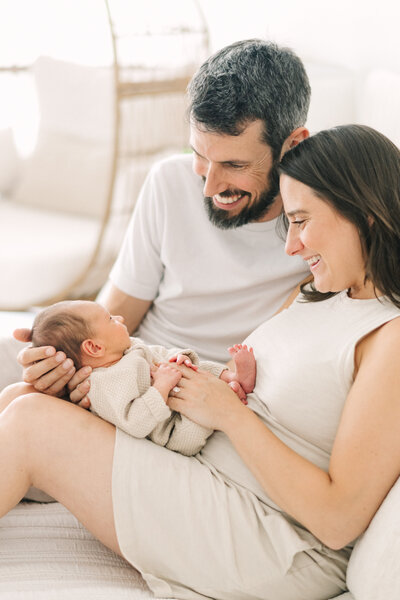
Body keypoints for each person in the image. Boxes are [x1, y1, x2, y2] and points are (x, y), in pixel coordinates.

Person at [1, 124, 399, 600]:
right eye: (288, 223)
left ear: (366, 216)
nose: (291, 246)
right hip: (207, 465)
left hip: (277, 538)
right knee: (23, 396)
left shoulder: (387, 338)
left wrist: (228, 414)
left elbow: (338, 521)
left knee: (30, 422)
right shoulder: (318, 293)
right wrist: (118, 384)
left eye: (302, 221)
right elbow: (237, 381)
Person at [12, 39, 311, 405]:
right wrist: (63, 361)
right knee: (16, 395)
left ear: (293, 144)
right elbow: (118, 310)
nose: (210, 187)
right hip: (128, 372)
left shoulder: (323, 221)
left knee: (20, 411)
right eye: (199, 155)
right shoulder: (169, 180)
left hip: (200, 396)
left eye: (234, 165)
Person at [26, 299, 255, 455]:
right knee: (192, 428)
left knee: (194, 367)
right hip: (171, 431)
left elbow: (160, 353)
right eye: (110, 320)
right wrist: (162, 387)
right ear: (94, 347)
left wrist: (179, 359)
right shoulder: (102, 385)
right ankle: (228, 395)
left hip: (177, 388)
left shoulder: (129, 348)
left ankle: (231, 376)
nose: (120, 319)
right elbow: (135, 422)